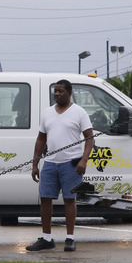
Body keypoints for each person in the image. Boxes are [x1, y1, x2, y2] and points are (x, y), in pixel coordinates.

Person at [27, 80, 95, 252]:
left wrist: (84, 160)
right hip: (50, 163)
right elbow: (41, 139)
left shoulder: (79, 112)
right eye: (55, 91)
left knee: (69, 199)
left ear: (69, 93)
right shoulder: (47, 112)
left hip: (71, 164)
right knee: (45, 199)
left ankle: (70, 238)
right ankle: (47, 238)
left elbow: (89, 139)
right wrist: (35, 164)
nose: (57, 94)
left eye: (60, 91)